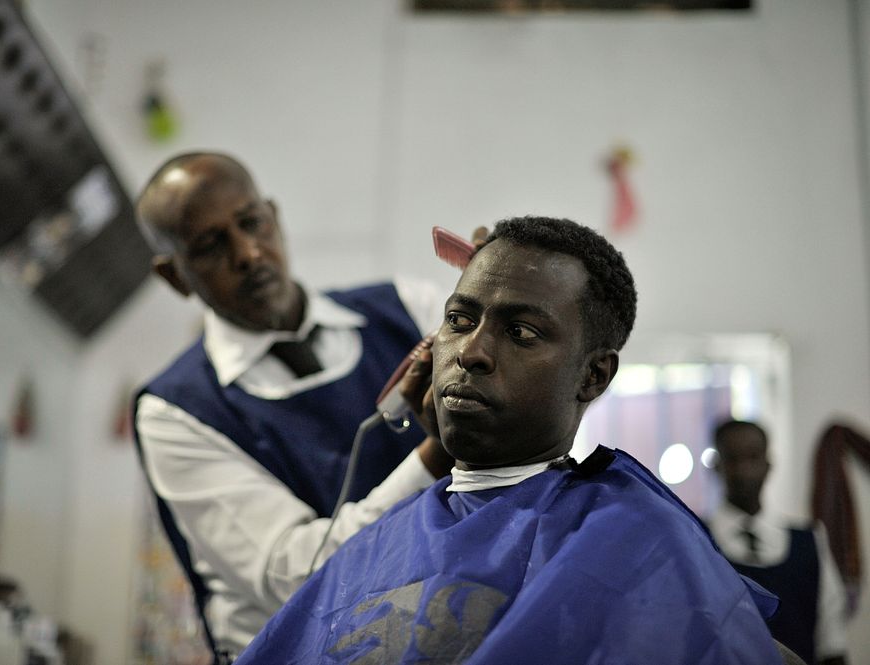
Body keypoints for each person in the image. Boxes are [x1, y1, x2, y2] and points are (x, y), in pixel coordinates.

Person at [235, 215, 782, 664]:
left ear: (592, 376)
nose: (471, 351)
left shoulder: (641, 541)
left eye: (521, 331)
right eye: (458, 319)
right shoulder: (372, 547)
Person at [132, 152, 458, 659]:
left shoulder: (407, 309)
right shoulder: (175, 412)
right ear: (174, 276)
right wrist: (439, 452)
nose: (248, 254)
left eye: (251, 223)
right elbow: (299, 576)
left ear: (274, 217)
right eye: (210, 245)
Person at [709, 419, 849, 665]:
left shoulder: (809, 540)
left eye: (753, 457)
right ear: (717, 466)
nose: (743, 470)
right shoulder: (698, 539)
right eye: (732, 458)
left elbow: (831, 637)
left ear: (768, 464)